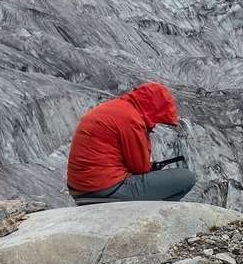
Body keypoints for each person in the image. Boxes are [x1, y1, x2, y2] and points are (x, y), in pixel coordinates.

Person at [67, 82, 197, 204]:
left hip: (80, 189)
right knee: (186, 178)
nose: (156, 124)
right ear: (154, 108)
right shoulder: (132, 119)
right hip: (105, 189)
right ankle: (150, 217)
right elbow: (140, 168)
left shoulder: (115, 108)